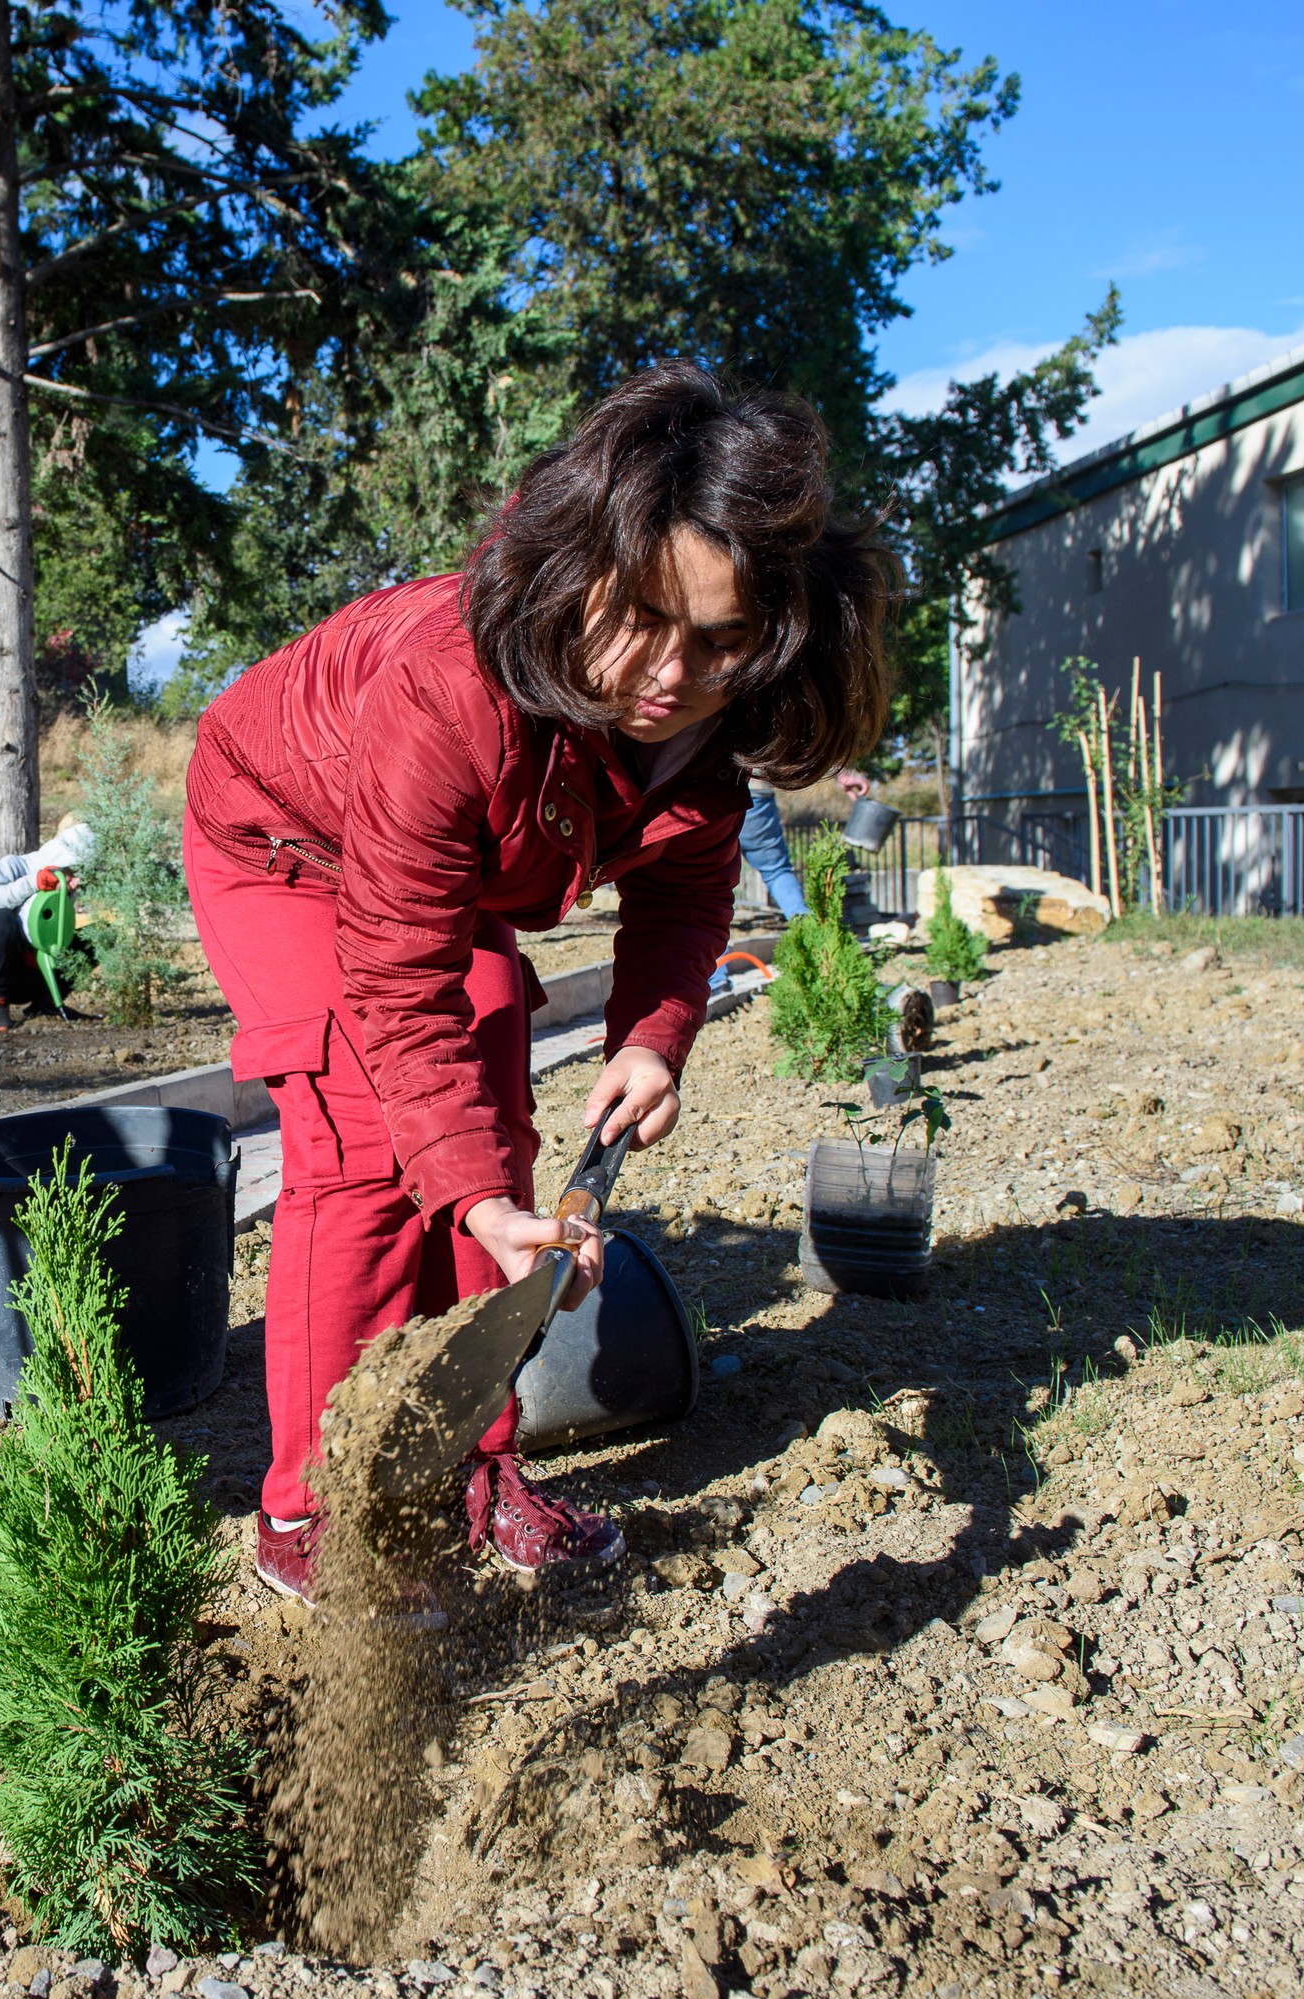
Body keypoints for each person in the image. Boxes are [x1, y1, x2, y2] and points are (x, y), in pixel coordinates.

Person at [184, 363, 895, 1605]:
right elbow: (397, 972)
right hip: (282, 839)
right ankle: (315, 1505)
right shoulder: (451, 685)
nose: (668, 673)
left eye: (719, 639)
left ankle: (471, 1460)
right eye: (643, 617)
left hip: (429, 873)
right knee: (367, 1144)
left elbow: (685, 887)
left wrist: (652, 1036)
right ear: (586, 570)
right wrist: (462, 1194)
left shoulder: (710, 724)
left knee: (493, 1112)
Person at [710, 767, 873, 987]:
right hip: (756, 791)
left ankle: (716, 977)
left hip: (712, 790)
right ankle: (819, 950)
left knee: (709, 886)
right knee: (777, 872)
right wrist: (842, 774)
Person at [0, 816, 96, 1031]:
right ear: (61, 860)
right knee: (2, 917)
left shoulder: (68, 884)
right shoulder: (14, 866)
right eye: (74, 872)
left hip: (34, 973)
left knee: (96, 935)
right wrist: (34, 882)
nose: (76, 883)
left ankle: (48, 1001)